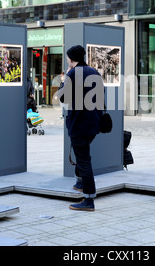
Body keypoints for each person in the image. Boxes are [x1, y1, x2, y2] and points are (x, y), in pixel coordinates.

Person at [58, 45, 104, 211]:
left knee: (84, 160)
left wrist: (63, 82)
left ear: (71, 59)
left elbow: (62, 98)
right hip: (94, 123)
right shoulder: (94, 72)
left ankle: (89, 199)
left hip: (79, 123)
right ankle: (80, 183)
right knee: (83, 154)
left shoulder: (72, 73)